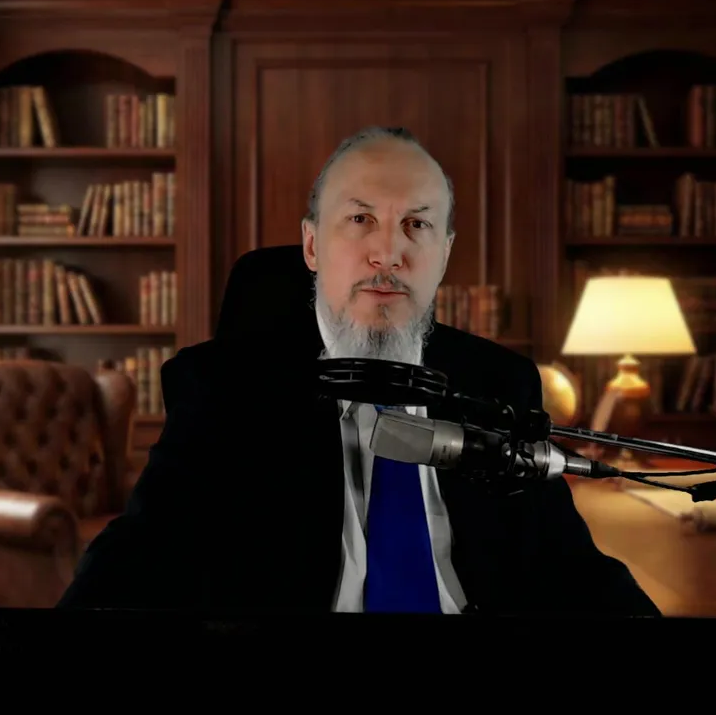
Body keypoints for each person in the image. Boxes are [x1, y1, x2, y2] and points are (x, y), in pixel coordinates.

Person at [58, 126, 660, 617]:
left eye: (417, 225)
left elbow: (573, 569)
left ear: (444, 253)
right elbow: (136, 559)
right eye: (360, 220)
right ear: (312, 247)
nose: (387, 253)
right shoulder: (221, 389)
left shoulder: (501, 382)